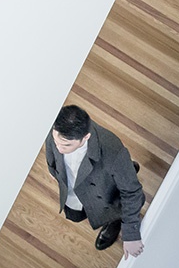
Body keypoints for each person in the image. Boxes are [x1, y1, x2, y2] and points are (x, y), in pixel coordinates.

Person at [45, 105, 145, 259]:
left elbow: (132, 192)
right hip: (74, 189)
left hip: (104, 191)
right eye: (56, 141)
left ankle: (114, 221)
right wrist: (53, 170)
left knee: (114, 204)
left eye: (66, 145)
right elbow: (51, 150)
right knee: (76, 215)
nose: (59, 148)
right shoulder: (56, 130)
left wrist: (131, 235)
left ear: (85, 137)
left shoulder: (112, 150)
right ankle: (127, 170)